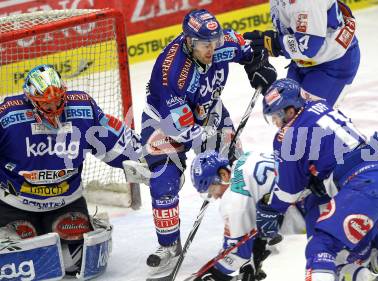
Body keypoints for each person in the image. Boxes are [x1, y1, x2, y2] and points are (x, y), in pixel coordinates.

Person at [254, 78, 378, 281]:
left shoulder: (288, 134)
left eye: (277, 115)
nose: (275, 122)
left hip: (363, 185)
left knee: (322, 247)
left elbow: (289, 189)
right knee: (365, 252)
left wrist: (271, 210)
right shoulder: (320, 105)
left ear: (290, 110)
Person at [140, 9, 277, 273]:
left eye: (214, 42)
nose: (212, 49)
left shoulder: (220, 43)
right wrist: (209, 150)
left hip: (208, 110)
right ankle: (169, 246)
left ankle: (260, 223)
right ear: (189, 41)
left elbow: (251, 49)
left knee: (238, 167)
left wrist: (260, 66)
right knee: (163, 180)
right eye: (205, 45)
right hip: (165, 122)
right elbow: (184, 131)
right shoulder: (172, 72)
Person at [0, 64, 142, 279]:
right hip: (15, 205)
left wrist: (151, 159)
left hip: (65, 201)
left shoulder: (82, 108)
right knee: (22, 265)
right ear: (30, 100)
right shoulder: (8, 117)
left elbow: (114, 141)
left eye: (57, 100)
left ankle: (88, 224)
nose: (53, 106)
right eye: (45, 103)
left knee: (75, 263)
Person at [189, 150, 306, 281]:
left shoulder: (233, 201)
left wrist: (213, 275)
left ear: (223, 175)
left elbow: (236, 254)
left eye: (212, 190)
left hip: (311, 203)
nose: (215, 197)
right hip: (316, 177)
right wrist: (256, 250)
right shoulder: (246, 157)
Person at [243, 0, 360, 106]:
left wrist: (275, 43)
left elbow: (310, 46)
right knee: (284, 112)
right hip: (303, 61)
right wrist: (268, 84)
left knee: (308, 123)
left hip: (332, 63)